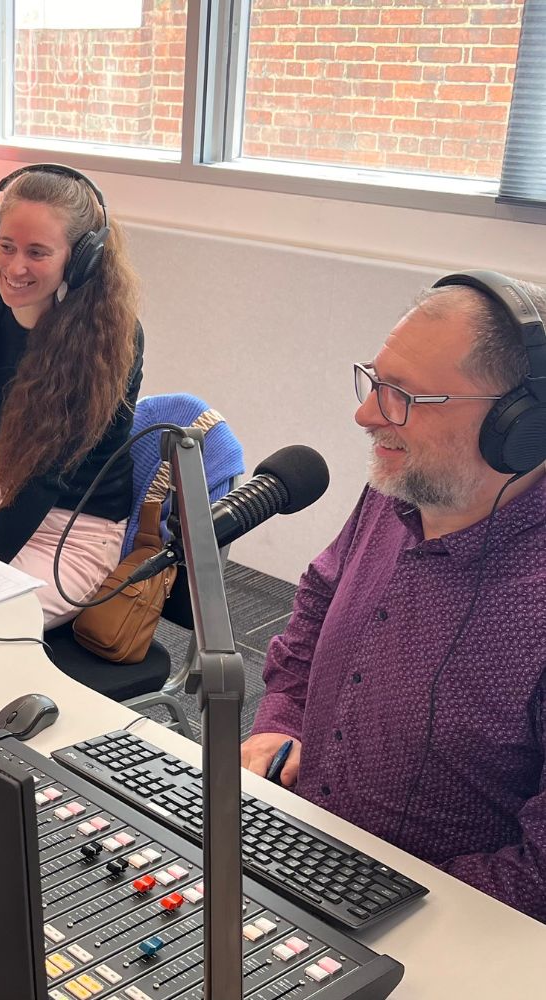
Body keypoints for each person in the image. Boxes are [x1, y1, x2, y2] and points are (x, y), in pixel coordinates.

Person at [241, 272, 546, 924]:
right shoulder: (402, 480)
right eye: (375, 380)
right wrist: (281, 718)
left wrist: (379, 913)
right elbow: (319, 596)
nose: (366, 413)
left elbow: (538, 875)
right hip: (304, 858)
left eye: (403, 395)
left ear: (519, 426)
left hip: (441, 935)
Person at [0, 164, 143, 626]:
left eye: (38, 252)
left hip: (72, 535)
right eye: (7, 246)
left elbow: (45, 481)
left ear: (80, 259)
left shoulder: (108, 339)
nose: (15, 267)